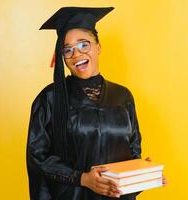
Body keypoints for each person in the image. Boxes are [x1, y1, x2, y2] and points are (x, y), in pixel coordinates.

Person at [26, 7, 143, 199]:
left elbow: (133, 151)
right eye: (68, 49)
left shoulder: (123, 96)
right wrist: (82, 179)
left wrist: (144, 174)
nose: (76, 54)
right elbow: (37, 157)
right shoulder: (50, 98)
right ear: (62, 56)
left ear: (98, 47)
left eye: (84, 45)